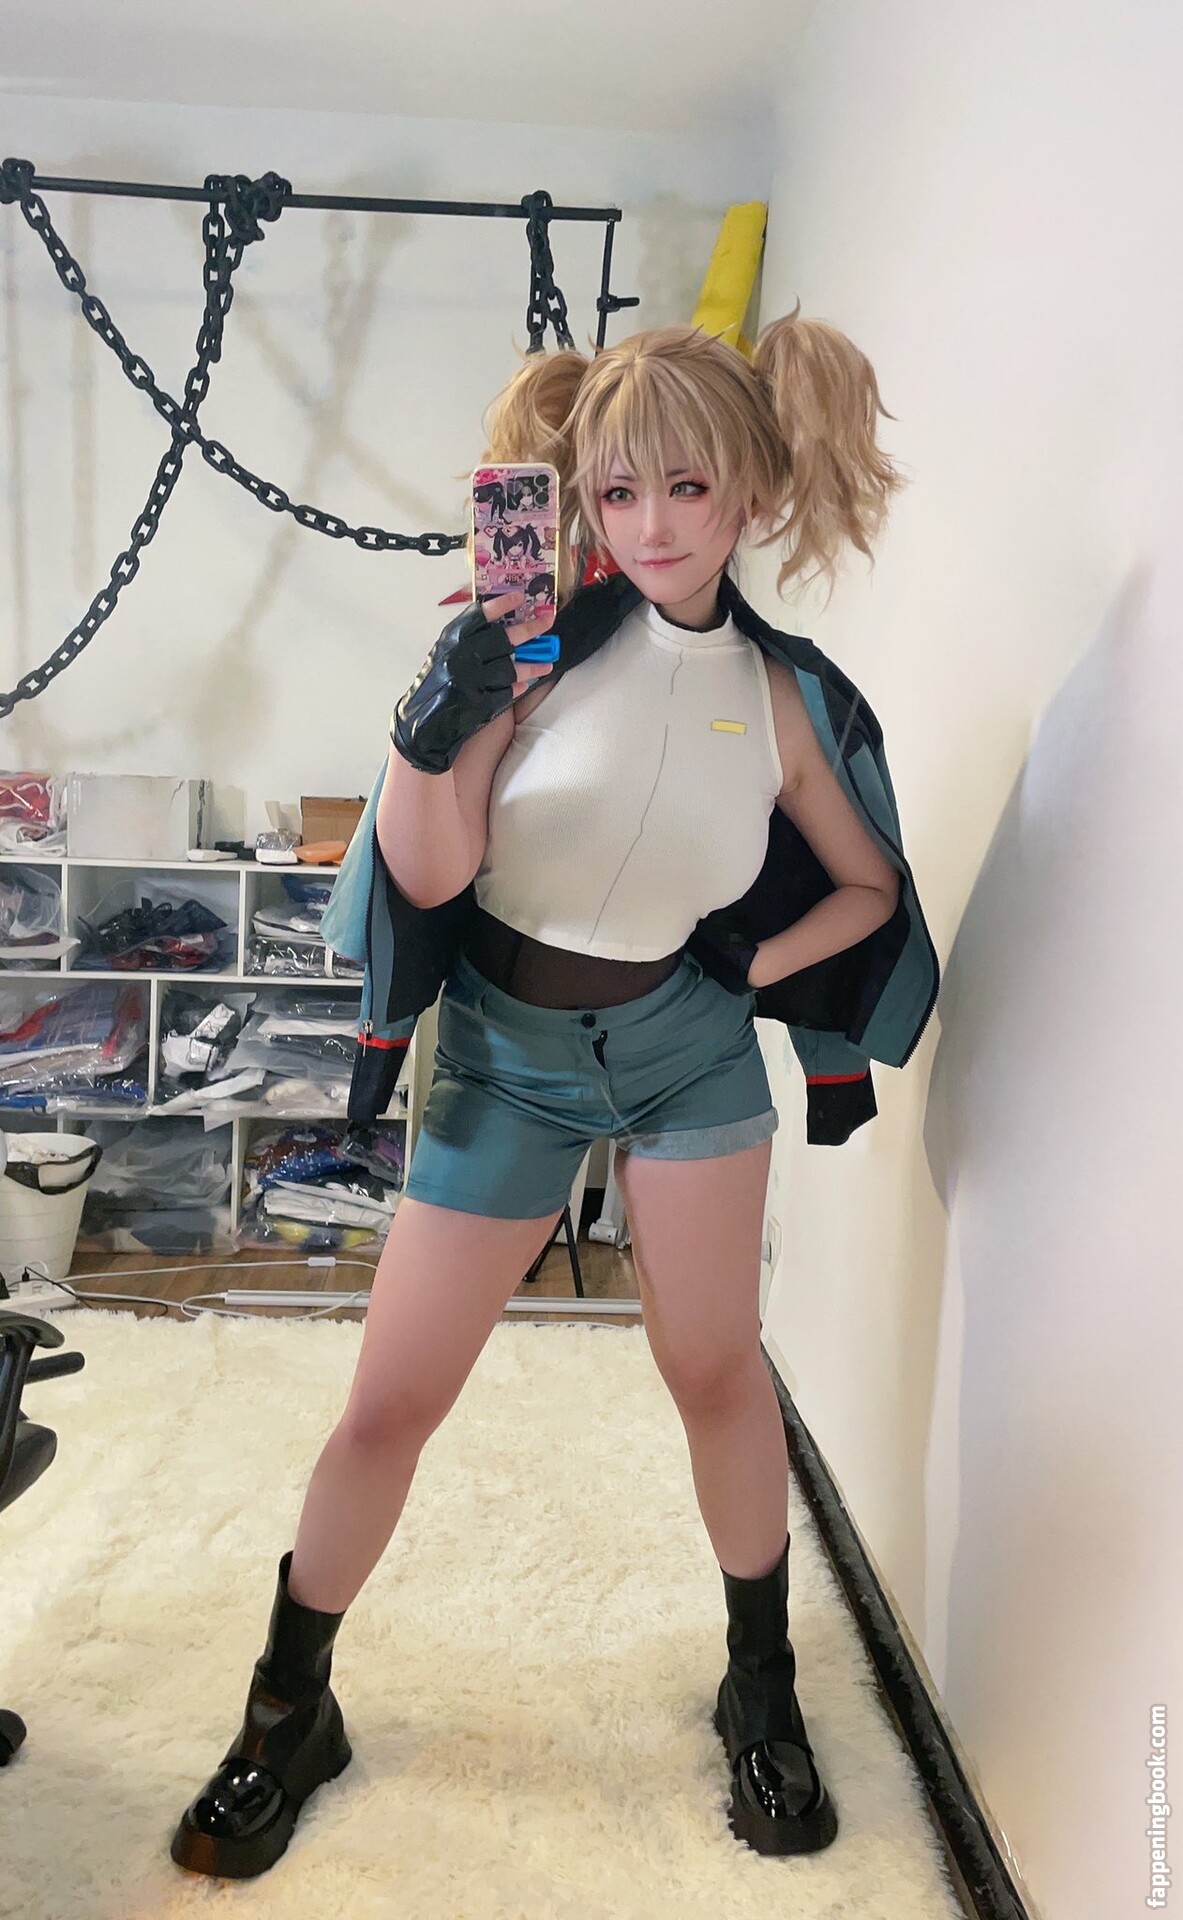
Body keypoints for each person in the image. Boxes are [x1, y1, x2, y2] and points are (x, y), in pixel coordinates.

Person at [171, 309, 913, 1878]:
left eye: (687, 489)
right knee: (392, 1400)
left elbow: (870, 889)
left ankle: (761, 1688)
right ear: (585, 497)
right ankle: (288, 1709)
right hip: (505, 1054)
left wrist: (752, 964)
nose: (651, 526)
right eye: (621, 490)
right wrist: (423, 736)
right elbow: (434, 874)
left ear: (751, 492)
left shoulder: (782, 699)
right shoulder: (530, 651)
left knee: (716, 1371)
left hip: (687, 1053)